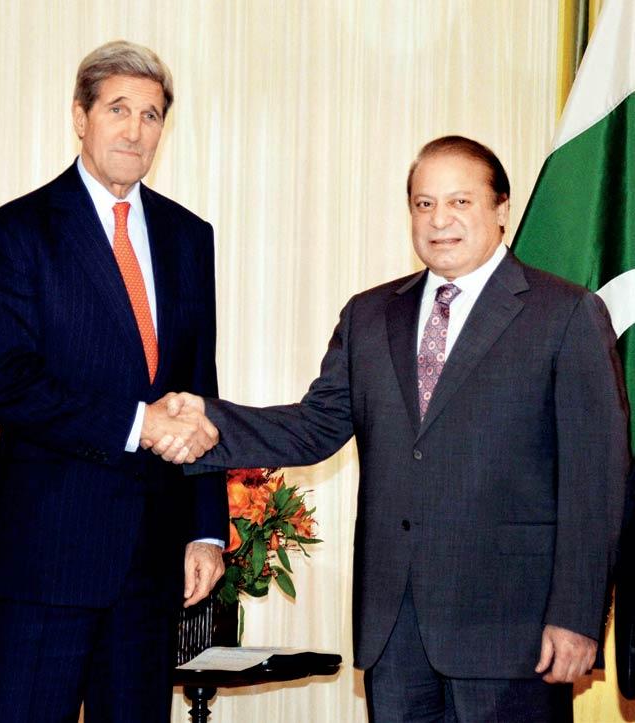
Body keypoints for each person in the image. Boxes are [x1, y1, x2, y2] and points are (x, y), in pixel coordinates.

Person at [147, 136, 631, 722]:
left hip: (513, 632)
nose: (440, 221)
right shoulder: (371, 314)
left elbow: (597, 482)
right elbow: (313, 427)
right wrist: (206, 419)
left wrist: (578, 616)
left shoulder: (566, 314)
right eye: (424, 204)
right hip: (394, 632)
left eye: (460, 202)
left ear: (501, 209)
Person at [0, 41, 228, 722]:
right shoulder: (14, 232)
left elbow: (201, 388)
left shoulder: (187, 237)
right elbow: (3, 381)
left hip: (150, 567)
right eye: (118, 108)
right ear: (80, 116)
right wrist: (139, 423)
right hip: (43, 559)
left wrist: (205, 530)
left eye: (151, 114)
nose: (135, 129)